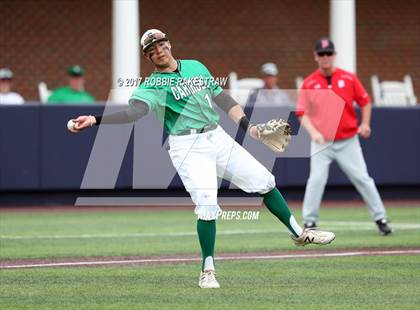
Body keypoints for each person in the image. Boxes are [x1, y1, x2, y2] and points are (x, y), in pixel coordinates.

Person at [69, 29, 335, 289]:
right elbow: (134, 113)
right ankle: (207, 269)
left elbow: (223, 99)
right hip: (187, 146)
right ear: (148, 58)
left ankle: (300, 234)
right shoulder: (151, 85)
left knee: (264, 181)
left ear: (169, 44)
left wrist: (249, 128)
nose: (158, 51)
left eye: (161, 45)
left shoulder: (196, 67)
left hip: (216, 136)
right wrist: (95, 120)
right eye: (151, 50)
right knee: (208, 204)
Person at [296, 37, 392, 236]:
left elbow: (365, 101)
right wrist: (313, 132)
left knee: (362, 178)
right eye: (321, 54)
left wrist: (365, 123)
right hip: (322, 141)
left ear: (334, 55)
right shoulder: (309, 82)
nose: (325, 57)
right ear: (315, 56)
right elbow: (301, 113)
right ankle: (309, 221)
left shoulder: (348, 78)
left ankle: (380, 218)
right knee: (316, 180)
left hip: (348, 139)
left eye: (328, 53)